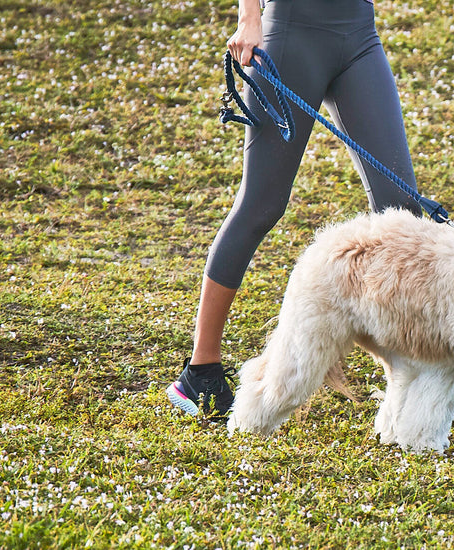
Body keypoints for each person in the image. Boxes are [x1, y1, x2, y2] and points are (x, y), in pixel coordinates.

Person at [165, 0, 423, 419]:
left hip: (358, 35)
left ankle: (419, 373)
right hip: (289, 33)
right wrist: (249, 17)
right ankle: (200, 371)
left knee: (403, 208)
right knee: (261, 206)